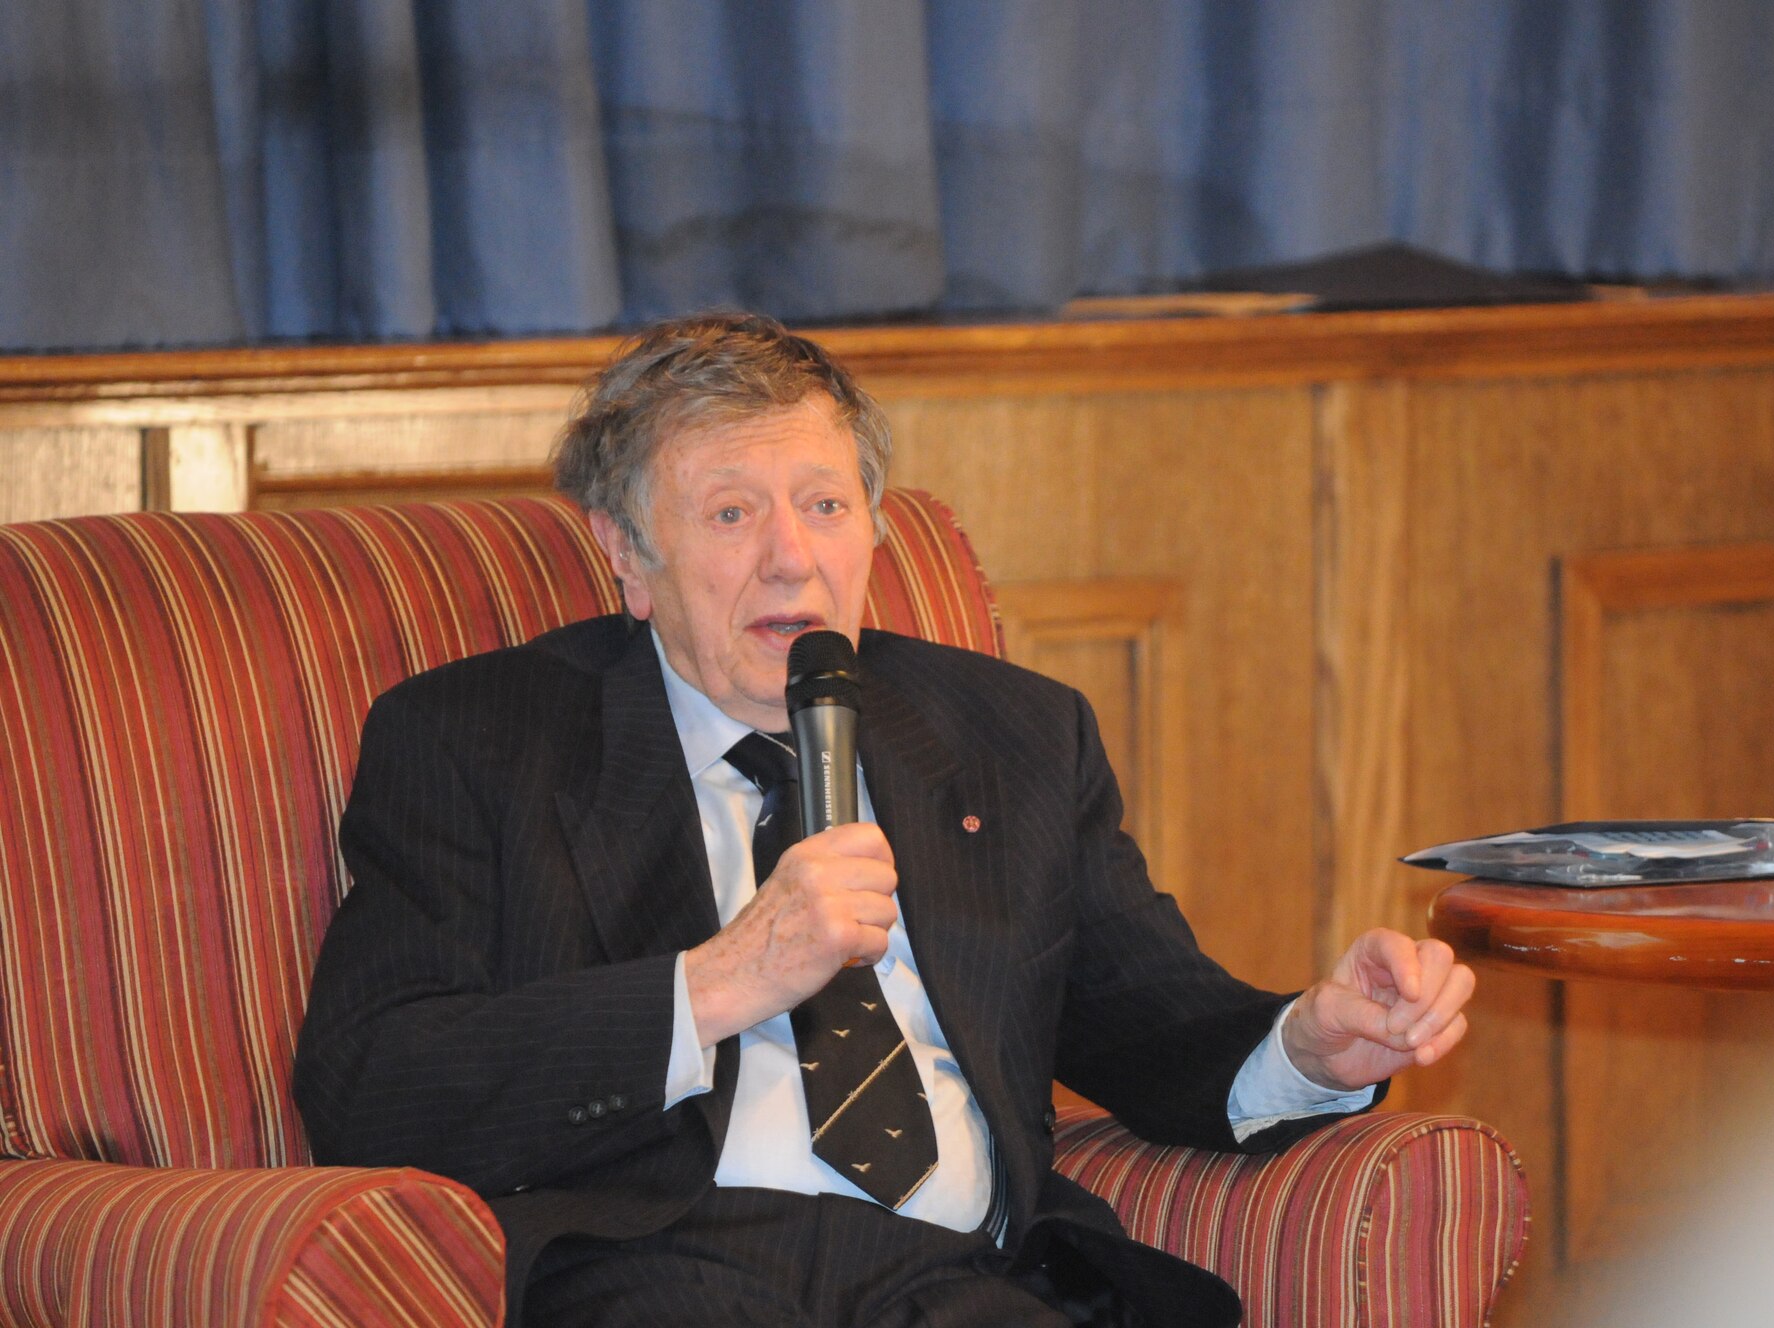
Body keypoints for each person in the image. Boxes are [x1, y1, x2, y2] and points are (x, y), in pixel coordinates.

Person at [293, 313, 1474, 1327]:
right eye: (728, 514)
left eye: (823, 503)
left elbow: (1145, 1019)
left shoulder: (1010, 733)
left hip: (959, 1280)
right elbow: (373, 1079)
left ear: (874, 527)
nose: (789, 559)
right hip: (668, 1271)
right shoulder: (476, 740)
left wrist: (1308, 1047)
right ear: (627, 554)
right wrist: (721, 979)